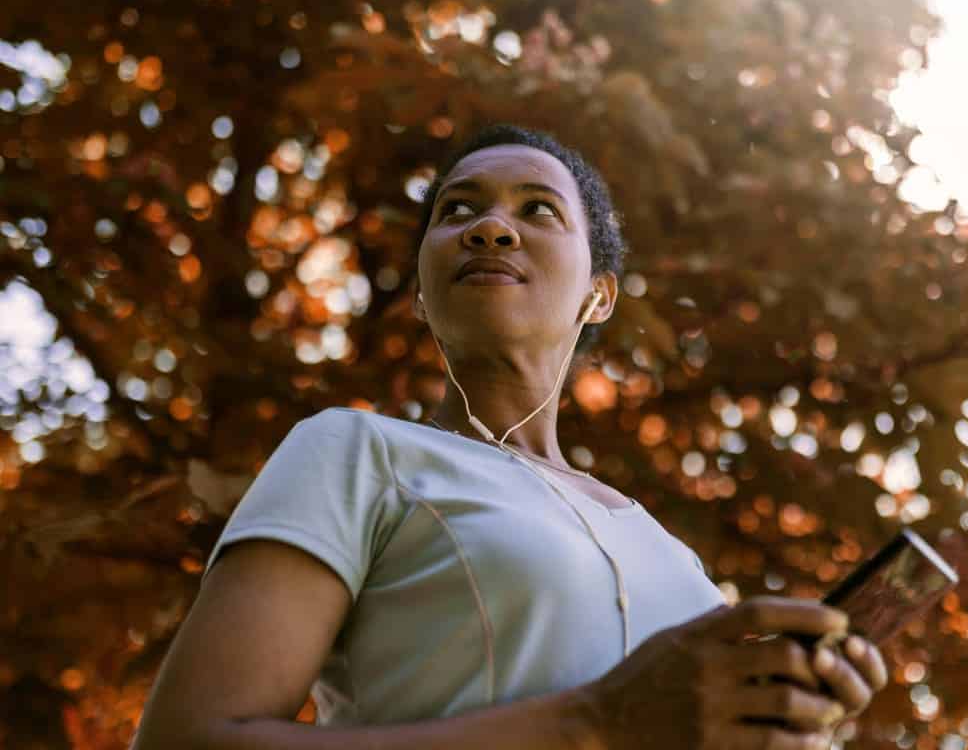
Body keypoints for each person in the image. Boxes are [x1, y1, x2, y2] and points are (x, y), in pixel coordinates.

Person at [131, 124, 887, 750]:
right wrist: (596, 724)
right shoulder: (355, 452)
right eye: (457, 210)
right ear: (421, 295)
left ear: (598, 296)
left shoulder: (678, 563)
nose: (489, 228)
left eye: (539, 210)